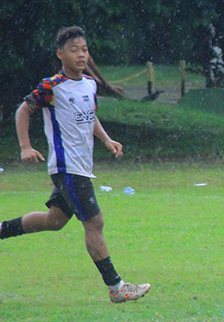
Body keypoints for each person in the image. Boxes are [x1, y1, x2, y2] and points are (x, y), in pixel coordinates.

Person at [0, 26, 151, 303]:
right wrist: (25, 146)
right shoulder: (52, 86)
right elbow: (23, 109)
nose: (81, 55)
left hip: (81, 167)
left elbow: (89, 116)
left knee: (54, 220)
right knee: (94, 222)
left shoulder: (90, 84)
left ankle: (1, 230)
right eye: (74, 50)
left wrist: (106, 140)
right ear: (60, 54)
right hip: (67, 168)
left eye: (84, 49)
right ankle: (116, 287)